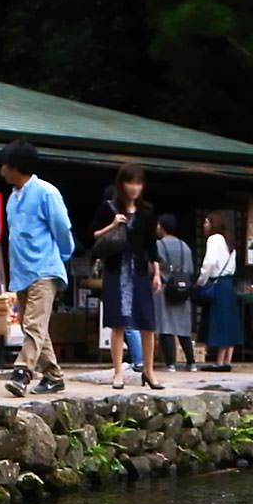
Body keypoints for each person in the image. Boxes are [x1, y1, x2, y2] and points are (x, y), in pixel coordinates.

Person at [0, 139, 74, 397]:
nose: (1, 170)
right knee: (34, 327)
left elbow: (62, 228)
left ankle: (22, 372)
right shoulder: (13, 197)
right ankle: (53, 376)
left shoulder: (46, 192)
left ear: (15, 167)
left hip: (45, 269)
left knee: (33, 324)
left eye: (4, 165)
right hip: (21, 271)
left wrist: (63, 255)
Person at [90, 164, 162, 391]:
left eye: (138, 183)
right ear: (122, 184)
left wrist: (157, 272)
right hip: (116, 268)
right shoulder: (108, 207)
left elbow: (151, 244)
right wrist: (113, 225)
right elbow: (92, 235)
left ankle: (149, 372)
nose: (134, 188)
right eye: (130, 182)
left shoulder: (147, 211)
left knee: (147, 323)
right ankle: (118, 372)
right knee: (117, 323)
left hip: (139, 270)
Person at [197, 214, 241, 370]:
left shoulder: (214, 239)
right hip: (229, 284)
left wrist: (201, 281)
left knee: (219, 321)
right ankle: (227, 359)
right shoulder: (229, 241)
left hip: (218, 283)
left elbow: (209, 262)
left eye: (207, 222)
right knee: (229, 322)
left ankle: (219, 361)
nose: (204, 225)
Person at [154, 213, 197, 371]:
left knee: (166, 326)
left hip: (166, 288)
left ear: (162, 227)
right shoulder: (184, 246)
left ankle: (170, 364)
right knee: (183, 328)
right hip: (183, 289)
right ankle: (191, 363)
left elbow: (153, 267)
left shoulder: (158, 245)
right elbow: (191, 269)